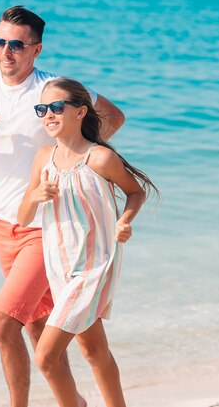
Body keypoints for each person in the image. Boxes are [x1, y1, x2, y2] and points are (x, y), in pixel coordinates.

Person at [0, 5, 125, 407]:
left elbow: (114, 115)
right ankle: (75, 402)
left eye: (17, 45)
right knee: (44, 329)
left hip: (50, 226)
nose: (6, 52)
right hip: (5, 224)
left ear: (36, 50)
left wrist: (78, 152)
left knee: (4, 324)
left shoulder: (51, 90)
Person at [17, 77, 159, 407]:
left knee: (46, 357)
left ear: (81, 112)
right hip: (60, 267)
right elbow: (23, 216)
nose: (48, 114)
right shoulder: (42, 158)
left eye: (56, 107)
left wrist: (125, 221)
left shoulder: (99, 159)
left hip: (93, 268)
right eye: (42, 109)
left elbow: (136, 191)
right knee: (94, 350)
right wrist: (36, 196)